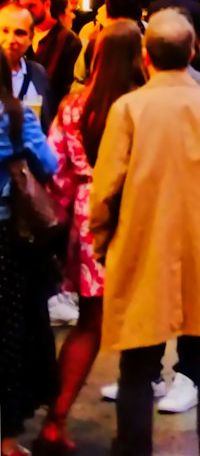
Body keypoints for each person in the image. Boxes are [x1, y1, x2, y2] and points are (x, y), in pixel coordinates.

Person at [89, 11, 200, 456]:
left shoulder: (128, 109)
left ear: (145, 57)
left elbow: (104, 190)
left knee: (137, 367)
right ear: (191, 54)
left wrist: (102, 243)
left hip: (143, 249)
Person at [34, 20, 145, 454]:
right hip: (135, 218)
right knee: (141, 328)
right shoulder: (141, 105)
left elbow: (53, 167)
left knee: (89, 324)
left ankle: (55, 417)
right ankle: (133, 430)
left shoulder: (75, 105)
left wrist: (62, 223)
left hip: (86, 215)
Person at [0, 46, 58, 456]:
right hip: (7, 237)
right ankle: (5, 437)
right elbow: (50, 164)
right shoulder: (16, 116)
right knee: (9, 330)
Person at [19, 0, 81, 115]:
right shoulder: (21, 36)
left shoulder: (68, 40)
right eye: (22, 7)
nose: (26, 11)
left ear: (47, 5)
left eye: (32, 6)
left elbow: (68, 87)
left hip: (52, 117)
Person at [0, 1, 52, 129]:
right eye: (4, 31)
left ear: (31, 38)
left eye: (19, 33)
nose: (11, 40)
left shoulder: (39, 74)